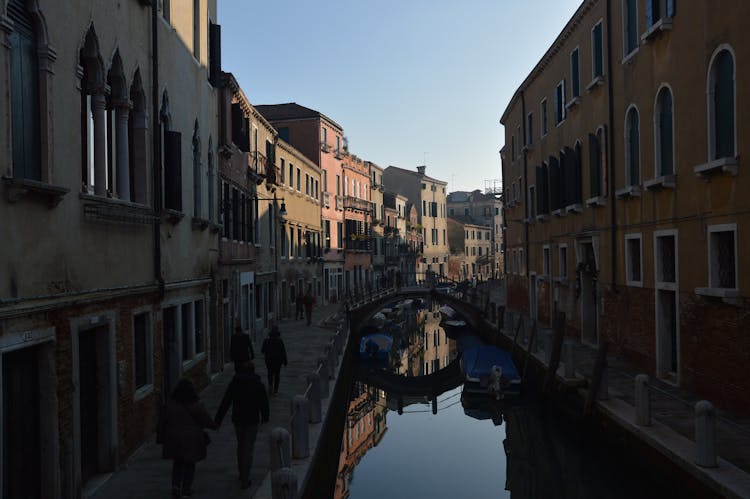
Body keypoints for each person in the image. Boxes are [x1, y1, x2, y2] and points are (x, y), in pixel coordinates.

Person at [157, 378, 217, 499]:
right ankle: (186, 489)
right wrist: (214, 426)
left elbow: (161, 423)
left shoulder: (169, 405)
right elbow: (206, 420)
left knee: (178, 463)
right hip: (191, 440)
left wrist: (161, 438)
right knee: (190, 464)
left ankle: (175, 486)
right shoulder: (197, 405)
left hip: (173, 439)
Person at [214, 361, 269, 490]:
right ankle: (245, 477)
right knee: (248, 448)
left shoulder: (235, 383)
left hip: (238, 420)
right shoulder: (258, 384)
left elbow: (226, 401)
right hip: (252, 419)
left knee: (241, 445)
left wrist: (218, 419)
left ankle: (242, 473)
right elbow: (264, 402)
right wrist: (265, 417)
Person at [261, 322, 288, 394]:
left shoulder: (266, 341)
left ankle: (270, 385)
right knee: (277, 374)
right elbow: (283, 351)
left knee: (269, 373)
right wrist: (285, 361)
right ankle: (275, 389)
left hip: (269, 360)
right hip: (278, 361)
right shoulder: (280, 341)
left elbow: (262, 351)